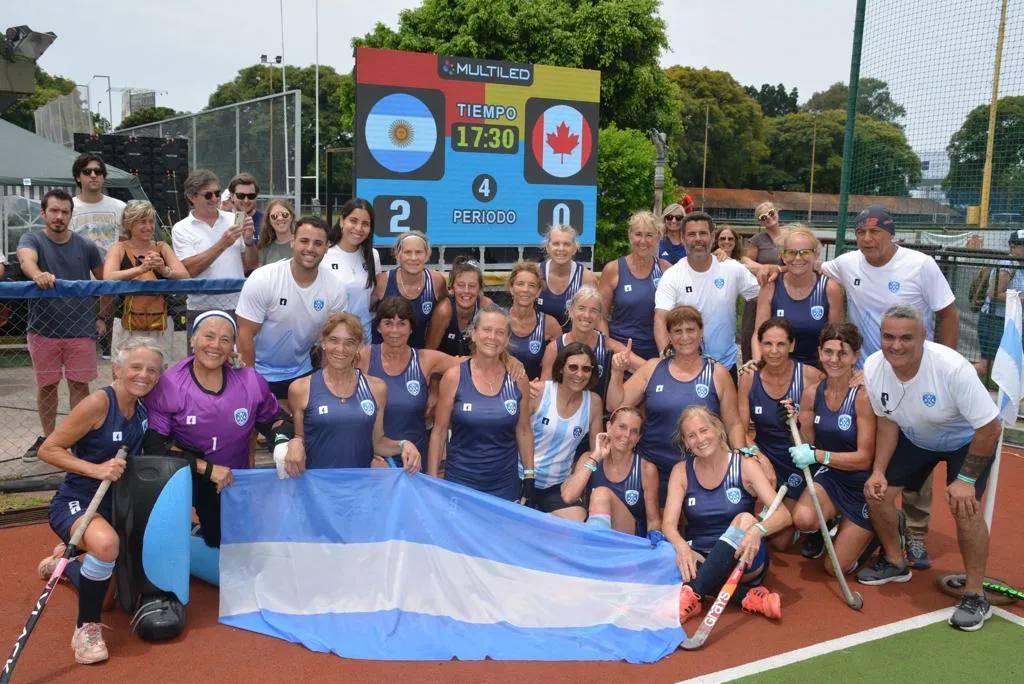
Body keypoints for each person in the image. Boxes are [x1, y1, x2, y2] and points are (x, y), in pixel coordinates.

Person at [818, 205, 959, 569]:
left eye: (875, 232)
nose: (867, 239)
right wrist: (765, 264)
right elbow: (803, 261)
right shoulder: (848, 264)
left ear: (890, 233)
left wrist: (946, 366)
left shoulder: (920, 265)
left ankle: (915, 530)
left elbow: (948, 313)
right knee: (871, 448)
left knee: (917, 447)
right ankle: (863, 520)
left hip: (915, 373)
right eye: (861, 233)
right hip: (866, 374)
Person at [856, 306, 1000, 631]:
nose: (896, 345)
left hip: (966, 440)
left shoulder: (951, 368)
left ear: (923, 336)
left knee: (966, 509)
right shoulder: (875, 366)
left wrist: (965, 479)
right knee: (876, 494)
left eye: (906, 337)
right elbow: (888, 418)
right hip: (915, 437)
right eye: (888, 337)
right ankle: (895, 561)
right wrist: (878, 471)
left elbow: (990, 428)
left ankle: (976, 595)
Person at [36, 339, 163, 665]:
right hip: (77, 501)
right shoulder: (97, 403)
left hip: (116, 505)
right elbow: (48, 450)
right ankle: (85, 629)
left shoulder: (143, 407)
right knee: (106, 544)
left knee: (108, 599)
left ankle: (63, 565)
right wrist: (96, 468)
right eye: (136, 367)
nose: (144, 375)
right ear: (117, 368)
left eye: (152, 370)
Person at [141, 312, 288, 548]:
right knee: (156, 542)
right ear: (192, 340)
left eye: (224, 340)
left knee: (228, 546)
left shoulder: (249, 380)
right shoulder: (169, 384)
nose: (215, 346)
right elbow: (155, 446)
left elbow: (277, 421)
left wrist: (287, 445)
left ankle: (204, 533)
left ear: (232, 347)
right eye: (209, 336)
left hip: (230, 481)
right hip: (186, 475)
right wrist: (207, 469)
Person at [607, 305, 748, 504]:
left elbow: (733, 423)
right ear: (669, 336)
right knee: (654, 527)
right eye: (677, 331)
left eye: (690, 330)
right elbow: (616, 406)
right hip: (652, 468)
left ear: (700, 332)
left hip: (701, 468)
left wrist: (741, 459)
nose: (684, 337)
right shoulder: (653, 368)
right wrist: (616, 373)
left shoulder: (718, 374)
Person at [663, 406, 791, 624]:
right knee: (666, 552)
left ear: (719, 430)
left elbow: (785, 515)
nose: (700, 439)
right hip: (700, 557)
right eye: (691, 435)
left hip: (743, 559)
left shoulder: (745, 466)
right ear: (685, 442)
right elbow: (668, 525)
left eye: (704, 430)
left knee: (746, 519)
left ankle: (693, 593)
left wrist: (758, 529)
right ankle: (750, 598)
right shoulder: (680, 471)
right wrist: (682, 546)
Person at [17, 189, 108, 462]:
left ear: (71, 214)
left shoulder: (86, 246)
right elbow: (25, 260)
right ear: (43, 213)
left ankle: (79, 439)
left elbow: (106, 282)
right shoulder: (31, 238)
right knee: (47, 386)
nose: (59, 216)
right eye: (54, 211)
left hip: (81, 329)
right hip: (43, 329)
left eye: (64, 212)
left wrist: (101, 316)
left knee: (80, 386)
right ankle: (50, 440)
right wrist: (38, 275)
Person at [787, 322, 876, 569]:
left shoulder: (863, 396)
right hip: (831, 477)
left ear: (855, 356)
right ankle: (829, 520)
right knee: (803, 520)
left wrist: (818, 455)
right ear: (819, 352)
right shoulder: (812, 393)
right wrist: (793, 422)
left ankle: (881, 528)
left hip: (860, 483)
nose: (834, 359)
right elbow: (808, 444)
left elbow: (864, 458)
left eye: (842, 353)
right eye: (828, 352)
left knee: (834, 568)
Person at [235, 216, 348, 411]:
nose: (310, 248)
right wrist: (250, 384)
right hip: (258, 371)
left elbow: (332, 340)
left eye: (318, 243)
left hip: (301, 371)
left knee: (303, 432)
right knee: (253, 433)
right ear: (293, 241)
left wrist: (327, 381)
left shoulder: (335, 287)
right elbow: (245, 334)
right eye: (304, 241)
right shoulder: (263, 278)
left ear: (327, 247)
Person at [286, 312, 421, 473]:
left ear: (358, 347)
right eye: (333, 340)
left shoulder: (377, 388)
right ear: (323, 342)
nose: (340, 349)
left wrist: (404, 444)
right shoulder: (301, 389)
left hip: (361, 490)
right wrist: (294, 442)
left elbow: (377, 442)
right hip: (317, 490)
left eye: (349, 342)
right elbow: (300, 439)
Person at [427, 306, 535, 502]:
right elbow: (439, 431)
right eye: (486, 330)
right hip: (460, 483)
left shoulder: (518, 379)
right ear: (474, 333)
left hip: (504, 485)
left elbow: (524, 430)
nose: (492, 337)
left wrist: (529, 476)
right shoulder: (454, 377)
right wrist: (433, 481)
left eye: (500, 332)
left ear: (507, 339)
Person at [357, 296, 468, 460]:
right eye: (388, 323)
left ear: (411, 329)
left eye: (402, 324)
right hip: (373, 459)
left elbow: (471, 363)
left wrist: (506, 359)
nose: (394, 331)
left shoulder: (425, 360)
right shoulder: (362, 357)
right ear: (379, 327)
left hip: (414, 460)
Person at [738, 318, 823, 528]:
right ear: (759, 345)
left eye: (781, 344)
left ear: (792, 345)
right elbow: (739, 430)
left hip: (800, 461)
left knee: (791, 528)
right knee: (772, 530)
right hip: (765, 456)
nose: (774, 351)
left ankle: (824, 520)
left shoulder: (811, 377)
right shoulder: (749, 378)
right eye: (767, 344)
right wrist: (761, 459)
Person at [654, 212, 760, 381]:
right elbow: (661, 318)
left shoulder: (732, 269)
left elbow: (761, 297)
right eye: (691, 234)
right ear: (682, 238)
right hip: (685, 368)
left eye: (703, 233)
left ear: (712, 237)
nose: (698, 239)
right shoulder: (672, 276)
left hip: (726, 365)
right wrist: (665, 355)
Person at [171, 169, 258, 344]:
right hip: (201, 306)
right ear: (192, 197)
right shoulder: (181, 228)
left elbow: (249, 265)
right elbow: (189, 270)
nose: (215, 199)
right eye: (208, 195)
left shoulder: (235, 218)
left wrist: (249, 242)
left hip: (237, 305)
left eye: (217, 193)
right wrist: (222, 244)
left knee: (237, 363)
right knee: (200, 363)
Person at [526, 342, 604, 520]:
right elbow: (516, 431)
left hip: (557, 484)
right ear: (561, 368)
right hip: (522, 477)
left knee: (576, 519)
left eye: (586, 369)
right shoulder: (538, 391)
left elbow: (595, 449)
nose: (579, 374)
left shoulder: (594, 402)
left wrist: (578, 477)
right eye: (573, 367)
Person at [103, 200, 189, 360]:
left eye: (151, 222)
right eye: (142, 222)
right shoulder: (118, 248)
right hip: (125, 320)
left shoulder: (162, 247)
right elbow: (108, 276)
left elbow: (184, 275)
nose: (149, 227)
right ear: (129, 224)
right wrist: (140, 269)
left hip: (160, 319)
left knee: (159, 366)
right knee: (122, 366)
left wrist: (164, 270)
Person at [560, 406, 660, 536]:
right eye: (622, 427)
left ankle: (594, 545)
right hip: (595, 527)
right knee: (555, 517)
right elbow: (568, 496)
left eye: (634, 431)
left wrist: (652, 545)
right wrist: (595, 457)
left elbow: (654, 520)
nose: (627, 435)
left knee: (601, 494)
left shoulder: (646, 469)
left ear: (638, 438)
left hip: (630, 537)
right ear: (609, 427)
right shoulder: (589, 458)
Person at [752, 225, 844, 367]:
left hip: (817, 372)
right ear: (782, 255)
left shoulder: (830, 288)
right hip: (777, 369)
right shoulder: (771, 286)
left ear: (816, 254)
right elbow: (758, 334)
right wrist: (758, 366)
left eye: (805, 252)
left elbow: (837, 339)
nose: (798, 258)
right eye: (791, 252)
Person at [539, 285, 644, 401]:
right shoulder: (555, 348)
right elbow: (545, 391)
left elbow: (650, 370)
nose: (586, 315)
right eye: (581, 308)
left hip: (600, 415)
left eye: (593, 311)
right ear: (570, 312)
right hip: (564, 414)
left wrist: (624, 393)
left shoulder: (609, 346)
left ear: (600, 317)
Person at [599, 210, 672, 360]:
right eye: (638, 234)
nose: (643, 241)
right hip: (620, 352)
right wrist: (608, 345)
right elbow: (600, 316)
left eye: (649, 235)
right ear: (630, 235)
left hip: (656, 352)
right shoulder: (613, 269)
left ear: (658, 237)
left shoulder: (667, 270)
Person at [373, 230, 447, 349]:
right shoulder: (382, 282)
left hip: (417, 355)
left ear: (427, 255)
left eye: (418, 252)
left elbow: (447, 309)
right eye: (408, 252)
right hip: (382, 354)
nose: (413, 258)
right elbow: (361, 312)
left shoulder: (436, 282)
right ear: (397, 255)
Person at [323, 198, 381, 341]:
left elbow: (373, 295)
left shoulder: (373, 255)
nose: (359, 228)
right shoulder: (324, 254)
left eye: (365, 224)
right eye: (353, 221)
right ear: (342, 221)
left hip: (363, 338)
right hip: (331, 339)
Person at [976, 229, 1024, 381]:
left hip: (1010, 322)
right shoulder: (1008, 264)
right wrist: (1020, 298)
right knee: (987, 366)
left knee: (1010, 366)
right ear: (1012, 247)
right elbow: (994, 293)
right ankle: (955, 383)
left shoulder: (1019, 265)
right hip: (994, 321)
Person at [739, 201, 784, 365]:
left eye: (771, 213)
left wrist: (777, 269)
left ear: (777, 212)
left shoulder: (789, 235)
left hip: (785, 291)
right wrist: (765, 268)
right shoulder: (758, 239)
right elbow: (745, 260)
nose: (769, 218)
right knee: (751, 330)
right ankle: (750, 367)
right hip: (761, 291)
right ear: (760, 221)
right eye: (763, 217)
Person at [427, 256, 494, 357]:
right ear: (452, 288)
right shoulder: (444, 311)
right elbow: (429, 353)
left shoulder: (486, 307)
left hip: (476, 368)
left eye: (472, 286)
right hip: (443, 369)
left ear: (479, 289)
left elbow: (496, 347)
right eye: (461, 285)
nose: (466, 291)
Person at [537, 224, 599, 332]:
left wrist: (604, 343)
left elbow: (596, 316)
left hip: (574, 343)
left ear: (574, 248)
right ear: (548, 247)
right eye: (556, 243)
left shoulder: (586, 278)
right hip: (539, 340)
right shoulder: (536, 274)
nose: (561, 249)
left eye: (566, 244)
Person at [506, 261, 561, 380]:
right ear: (511, 288)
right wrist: (506, 358)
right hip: (500, 392)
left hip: (536, 391)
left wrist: (542, 385)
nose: (525, 290)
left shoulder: (549, 324)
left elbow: (561, 364)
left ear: (538, 291)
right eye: (520, 284)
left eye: (531, 285)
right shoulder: (498, 320)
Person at [256, 199, 296, 266]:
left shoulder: (301, 243)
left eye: (285, 215)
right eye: (274, 216)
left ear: (291, 217)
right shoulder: (265, 248)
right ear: (269, 221)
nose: (280, 218)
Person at [227, 172, 263, 241]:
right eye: (241, 196)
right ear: (232, 196)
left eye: (251, 196)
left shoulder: (266, 222)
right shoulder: (221, 220)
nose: (246, 200)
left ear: (256, 197)